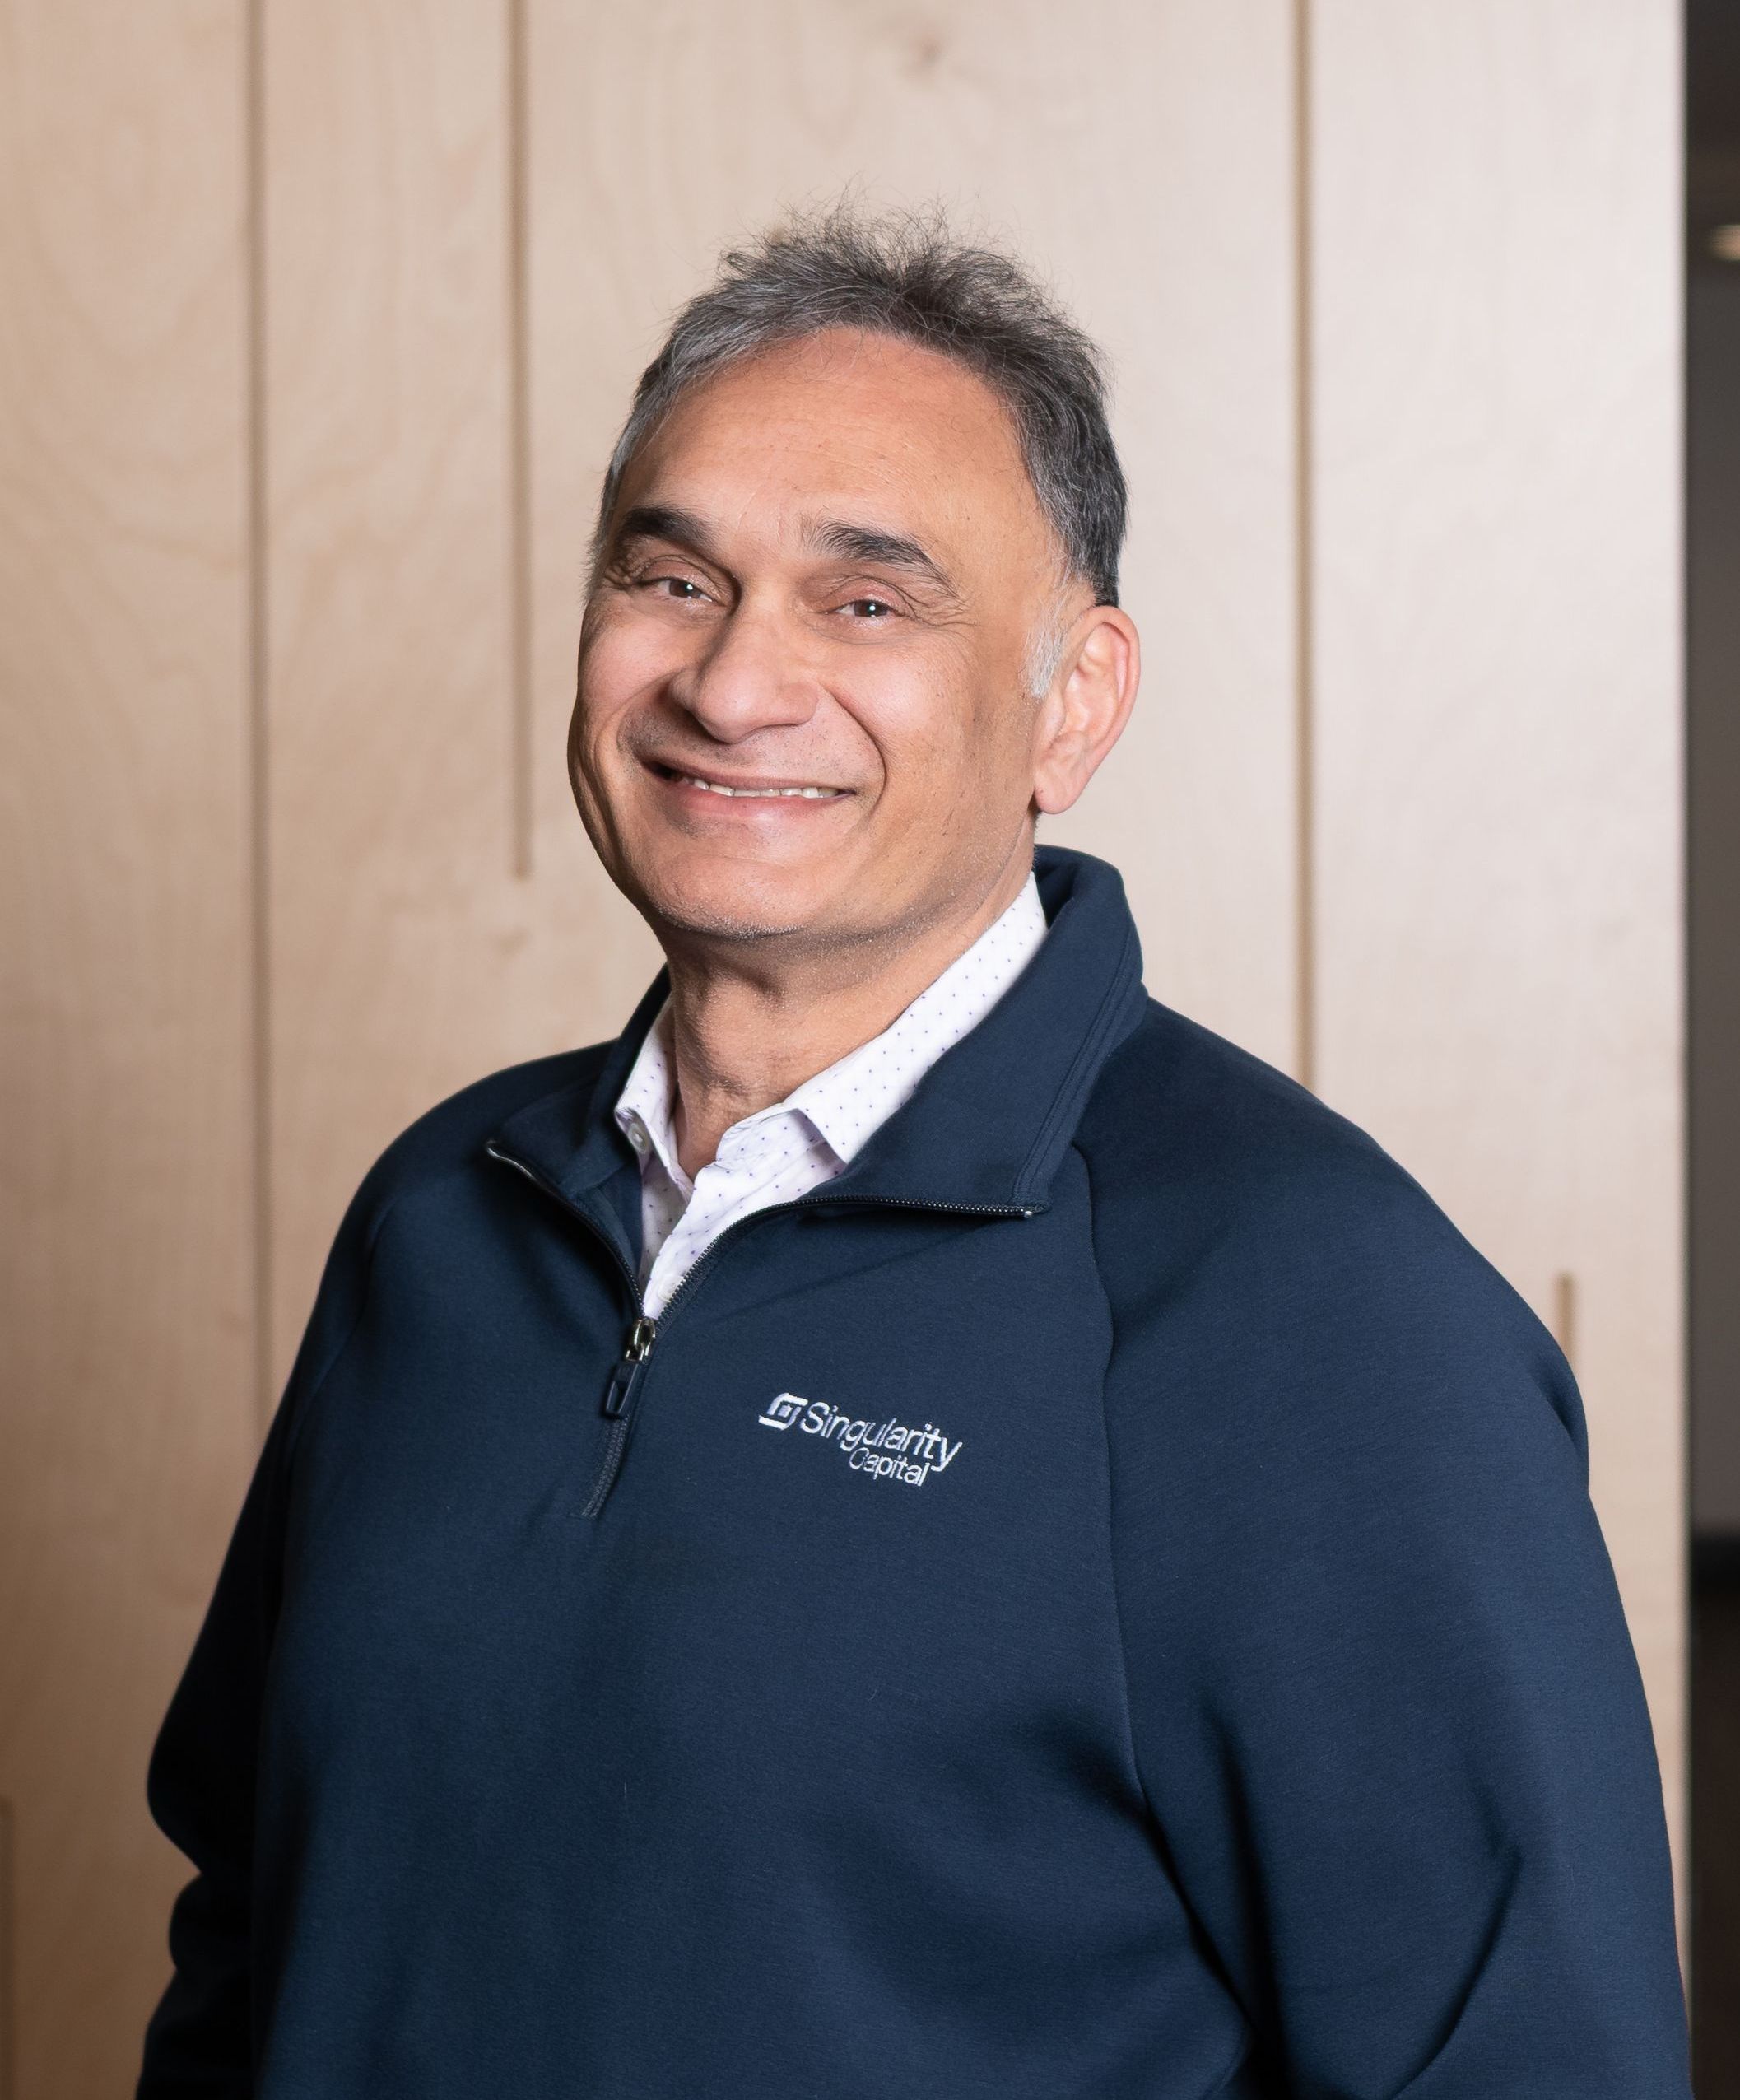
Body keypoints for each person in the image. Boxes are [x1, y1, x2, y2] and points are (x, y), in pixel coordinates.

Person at [137, 207, 1691, 2099]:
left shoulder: (1313, 1311)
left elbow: (1526, 2060)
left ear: (1073, 702)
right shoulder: (443, 1211)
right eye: (673, 577)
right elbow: (255, 1918)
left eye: (866, 603)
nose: (733, 685)